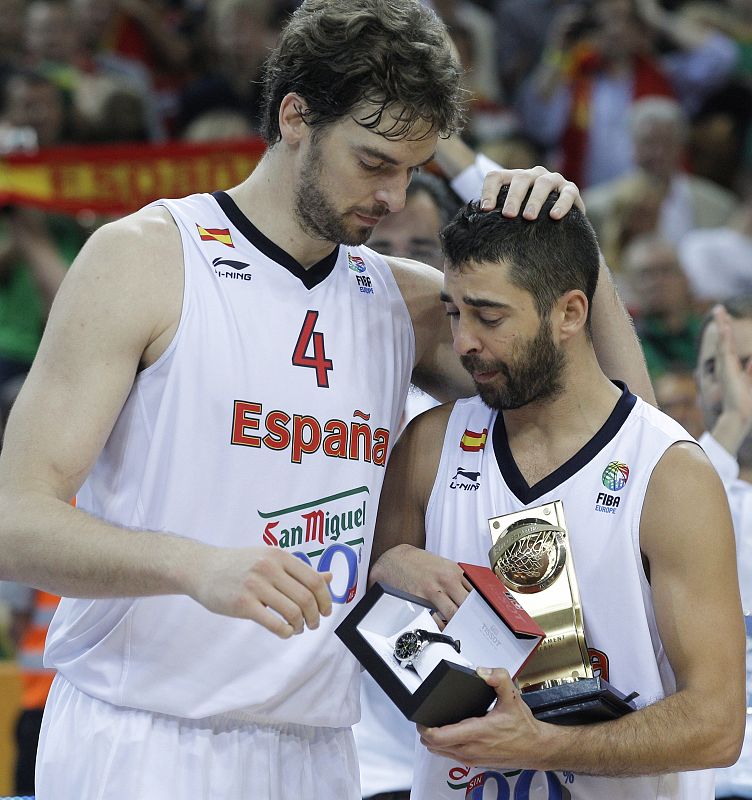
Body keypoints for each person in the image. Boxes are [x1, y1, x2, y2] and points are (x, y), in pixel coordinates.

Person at [0, 2, 652, 798]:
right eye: (374, 162)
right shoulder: (146, 259)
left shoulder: (402, 302)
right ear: (296, 117)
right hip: (141, 735)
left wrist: (565, 231)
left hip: (316, 748)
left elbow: (625, 426)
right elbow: (13, 522)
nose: (394, 196)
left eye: (415, 169)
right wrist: (191, 565)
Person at [369, 187, 745, 799]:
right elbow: (368, 620)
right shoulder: (430, 445)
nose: (463, 341)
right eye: (454, 312)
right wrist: (390, 566)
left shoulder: (668, 472)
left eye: (488, 317)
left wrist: (545, 746)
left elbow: (716, 724)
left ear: (571, 314)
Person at [693, 298, 752, 800]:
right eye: (719, 367)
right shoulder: (672, 485)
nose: (735, 382)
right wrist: (734, 422)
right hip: (705, 783)